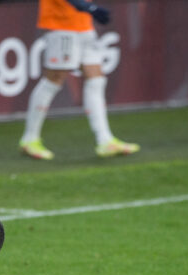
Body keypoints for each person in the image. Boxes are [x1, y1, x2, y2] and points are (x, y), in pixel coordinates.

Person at [19, 0, 139, 160]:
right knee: (54, 80)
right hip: (61, 25)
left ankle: (105, 140)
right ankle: (30, 139)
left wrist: (86, 8)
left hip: (83, 25)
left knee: (96, 78)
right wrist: (88, 7)